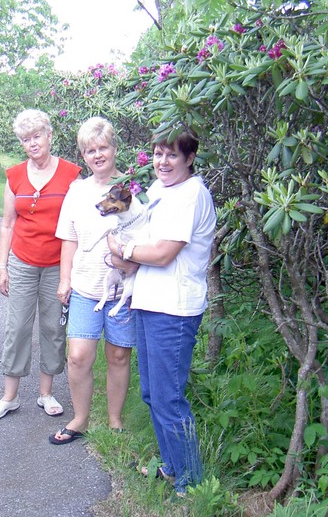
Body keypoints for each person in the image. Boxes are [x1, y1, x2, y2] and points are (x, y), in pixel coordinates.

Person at [107, 128, 216, 495]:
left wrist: (123, 251)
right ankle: (172, 466)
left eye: (172, 155)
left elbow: (164, 252)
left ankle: (191, 484)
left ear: (189, 158)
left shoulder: (191, 193)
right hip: (149, 302)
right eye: (157, 154)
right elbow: (133, 240)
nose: (163, 162)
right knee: (153, 393)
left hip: (175, 309)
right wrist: (123, 251)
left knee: (169, 397)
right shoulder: (158, 191)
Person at [0, 109, 81, 421]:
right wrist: (2, 267)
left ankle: (46, 393)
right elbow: (7, 224)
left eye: (37, 136)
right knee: (18, 328)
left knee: (53, 329)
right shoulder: (14, 175)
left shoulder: (71, 174)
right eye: (26, 139)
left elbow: (80, 223)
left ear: (49, 135)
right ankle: (9, 397)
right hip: (23, 262)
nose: (32, 143)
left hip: (58, 265)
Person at [49, 116, 135, 445]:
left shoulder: (130, 188)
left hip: (123, 290)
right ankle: (80, 419)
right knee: (78, 356)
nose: (97, 155)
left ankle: (115, 421)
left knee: (118, 356)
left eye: (102, 148)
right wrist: (64, 278)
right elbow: (68, 237)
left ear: (114, 148)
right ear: (83, 156)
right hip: (86, 287)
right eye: (89, 150)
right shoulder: (78, 191)